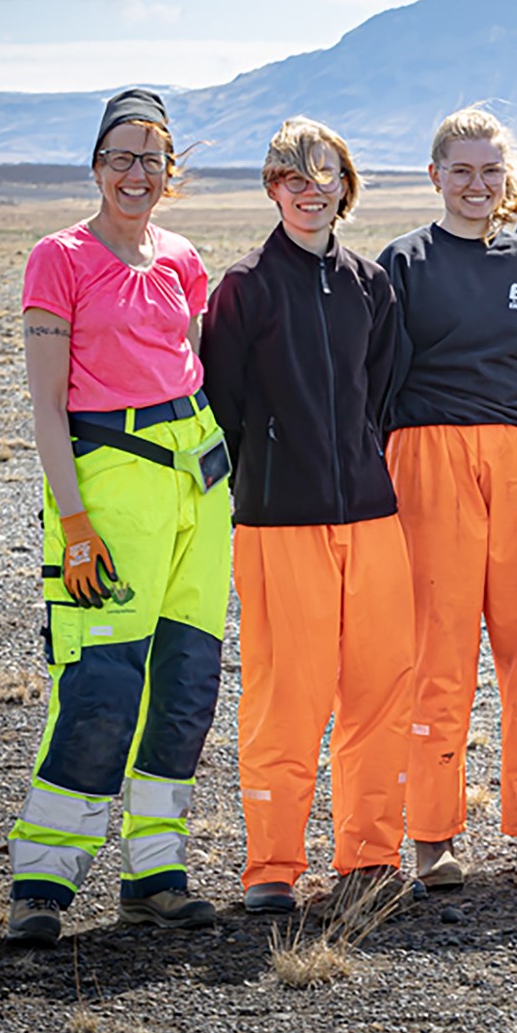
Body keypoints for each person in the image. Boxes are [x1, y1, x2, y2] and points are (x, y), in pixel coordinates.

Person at [7, 88, 231, 946]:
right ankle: (42, 880)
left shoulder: (181, 257)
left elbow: (195, 368)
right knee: (101, 686)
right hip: (110, 488)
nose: (136, 173)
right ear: (96, 165)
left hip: (199, 490)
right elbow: (45, 408)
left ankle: (156, 873)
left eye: (152, 158)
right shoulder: (57, 257)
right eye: (120, 157)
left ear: (171, 171)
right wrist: (72, 521)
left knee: (183, 684)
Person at [201, 117, 416, 916]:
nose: (310, 189)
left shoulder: (371, 283)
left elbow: (382, 392)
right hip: (277, 521)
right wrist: (271, 463)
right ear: (271, 188)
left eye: (324, 173)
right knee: (285, 693)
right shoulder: (246, 285)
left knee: (379, 689)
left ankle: (368, 854)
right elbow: (223, 401)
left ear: (345, 184)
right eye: (293, 177)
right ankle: (271, 866)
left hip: (370, 514)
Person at [379, 107, 517, 889]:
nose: (476, 185)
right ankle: (433, 836)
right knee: (439, 654)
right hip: (431, 460)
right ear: (435, 177)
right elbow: (381, 373)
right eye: (460, 170)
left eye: (490, 171)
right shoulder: (405, 262)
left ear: (506, 178)